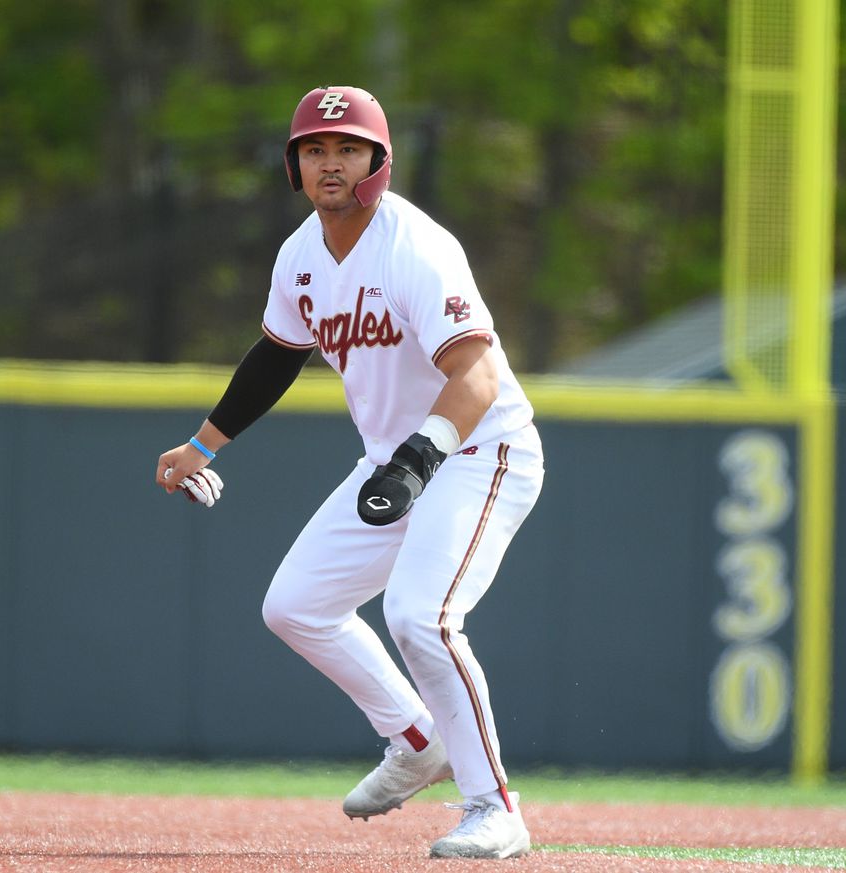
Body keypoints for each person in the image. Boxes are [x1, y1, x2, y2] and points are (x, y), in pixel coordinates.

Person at [155, 85, 543, 860]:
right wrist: (203, 444)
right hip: (395, 462)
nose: (330, 163)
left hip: (477, 453)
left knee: (420, 616)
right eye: (314, 149)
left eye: (347, 149)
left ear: (378, 162)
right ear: (292, 164)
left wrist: (418, 457)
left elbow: (476, 377)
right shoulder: (302, 253)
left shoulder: (415, 246)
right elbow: (277, 355)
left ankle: (495, 806)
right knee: (295, 604)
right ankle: (416, 738)